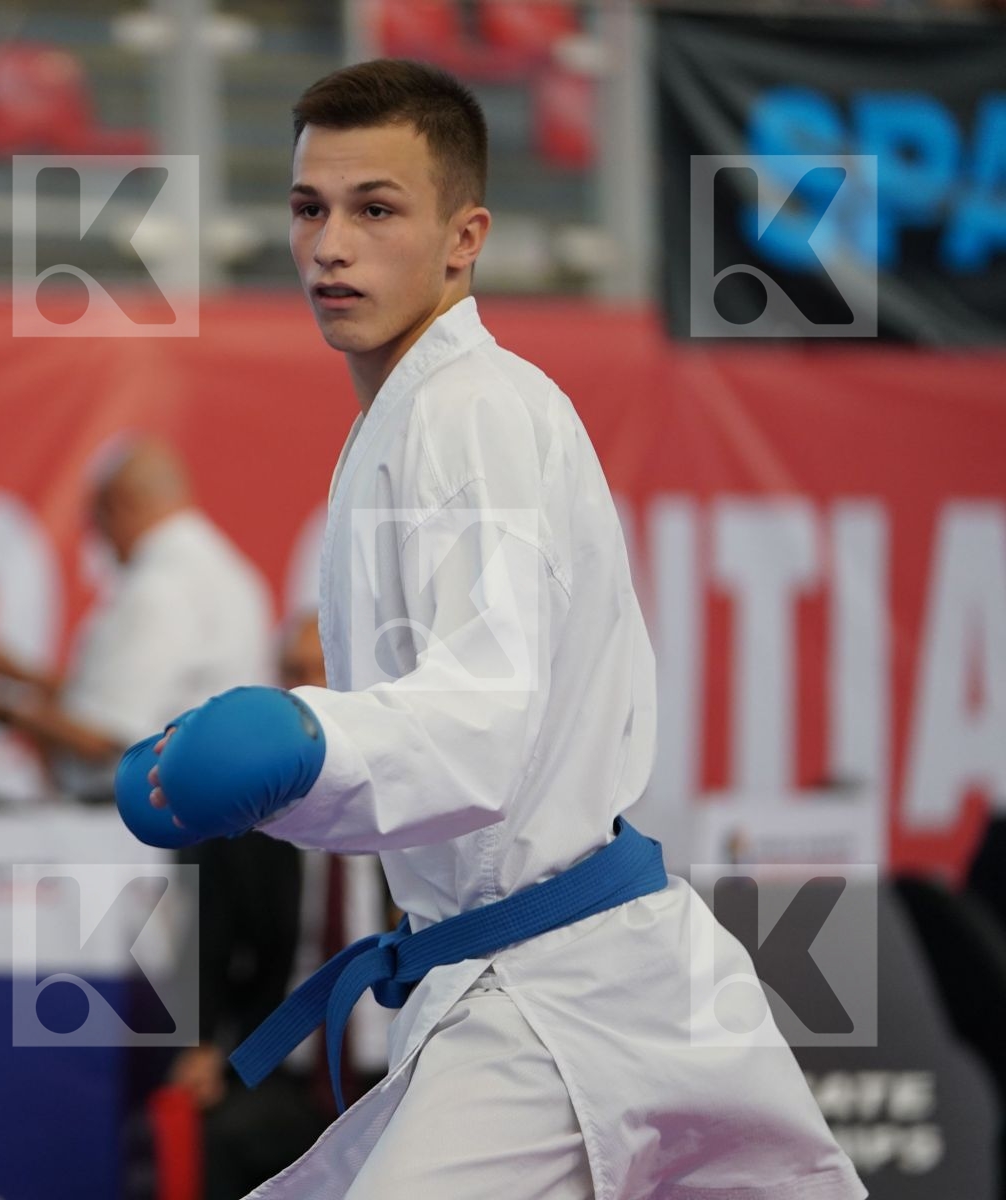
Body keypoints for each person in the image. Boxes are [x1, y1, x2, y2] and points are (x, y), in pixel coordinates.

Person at [116, 61, 863, 1198]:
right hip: (536, 984)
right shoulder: (406, 416)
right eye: (309, 208)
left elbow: (483, 723)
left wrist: (301, 747)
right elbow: (442, 755)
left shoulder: (471, 412)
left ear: (465, 237)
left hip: (561, 995)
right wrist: (263, 770)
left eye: (376, 210)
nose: (330, 245)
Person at [171, 612, 392, 1200]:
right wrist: (196, 1045)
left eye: (323, 671)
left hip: (404, 1065)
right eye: (293, 673)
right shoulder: (245, 815)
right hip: (282, 1061)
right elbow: (204, 939)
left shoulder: (418, 805)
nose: (308, 689)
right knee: (220, 1137)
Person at [0, 437, 271, 804]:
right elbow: (120, 693)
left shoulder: (160, 585)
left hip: (142, 823)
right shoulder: (231, 573)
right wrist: (20, 675)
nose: (99, 538)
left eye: (98, 519)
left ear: (123, 506)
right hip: (211, 809)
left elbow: (107, 733)